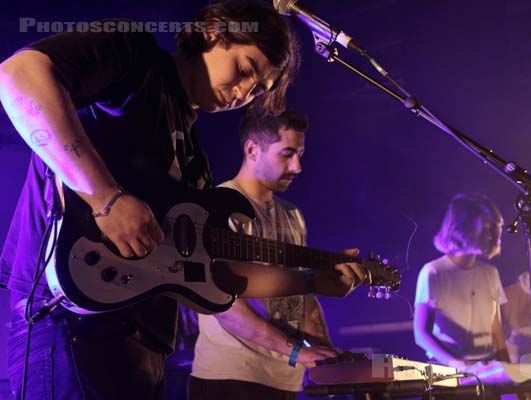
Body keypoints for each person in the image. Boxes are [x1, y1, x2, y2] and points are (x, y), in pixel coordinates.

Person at [0, 1, 364, 399]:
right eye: (244, 70)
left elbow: (220, 274)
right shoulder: (133, 55)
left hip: (144, 348)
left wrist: (313, 278)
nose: (243, 92)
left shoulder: (194, 161)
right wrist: (106, 198)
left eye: (258, 89)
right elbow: (19, 75)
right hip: (70, 324)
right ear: (212, 32)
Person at [189, 109, 362, 400]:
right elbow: (222, 304)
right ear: (252, 149)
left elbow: (305, 298)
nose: (297, 166)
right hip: (231, 379)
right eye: (287, 154)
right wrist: (295, 351)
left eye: (300, 154)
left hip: (286, 381)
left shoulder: (293, 216)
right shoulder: (219, 207)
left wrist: (328, 353)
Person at [413, 193, 510, 371]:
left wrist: (508, 369)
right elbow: (421, 333)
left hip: (486, 369)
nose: (490, 236)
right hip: (447, 371)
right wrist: (458, 365)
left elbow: (496, 329)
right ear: (463, 228)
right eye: (485, 229)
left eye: (492, 230)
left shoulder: (490, 273)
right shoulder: (434, 272)